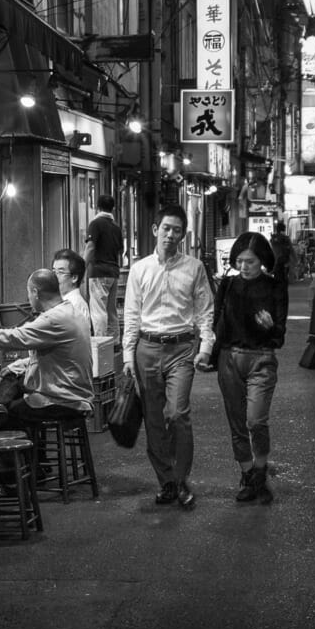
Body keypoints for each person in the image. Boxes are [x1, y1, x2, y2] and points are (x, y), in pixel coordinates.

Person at [122, 204, 215, 510]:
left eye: (177, 230)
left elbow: (205, 312)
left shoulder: (194, 268)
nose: (171, 234)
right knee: (153, 420)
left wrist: (204, 349)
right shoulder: (139, 269)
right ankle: (167, 482)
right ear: (155, 230)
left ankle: (182, 478)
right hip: (146, 349)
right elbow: (132, 317)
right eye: (166, 228)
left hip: (182, 349)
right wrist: (127, 356)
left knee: (177, 414)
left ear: (183, 234)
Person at [0, 269, 94, 428]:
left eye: (29, 293)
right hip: (78, 393)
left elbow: (14, 337)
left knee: (5, 417)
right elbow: (60, 357)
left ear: (35, 292)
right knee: (13, 375)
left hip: (64, 400)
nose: (29, 298)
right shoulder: (71, 311)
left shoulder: (54, 319)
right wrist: (19, 366)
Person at [209, 232, 288, 503]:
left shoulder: (275, 286)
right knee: (237, 423)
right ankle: (248, 477)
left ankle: (261, 469)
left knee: (256, 420)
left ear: (262, 261)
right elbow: (215, 323)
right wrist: (206, 352)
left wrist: (271, 326)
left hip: (261, 358)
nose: (244, 266)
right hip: (229, 359)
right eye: (239, 261)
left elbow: (280, 334)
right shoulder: (227, 285)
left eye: (250, 262)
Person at [84, 194, 124, 339]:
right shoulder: (116, 227)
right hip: (113, 272)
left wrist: (82, 267)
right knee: (111, 309)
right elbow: (121, 251)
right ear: (112, 208)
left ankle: (101, 343)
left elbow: (90, 247)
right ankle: (114, 342)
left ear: (97, 206)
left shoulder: (95, 223)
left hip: (98, 271)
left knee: (98, 310)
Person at [51, 248, 91, 326]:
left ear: (74, 278)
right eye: (54, 272)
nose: (54, 277)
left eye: (60, 272)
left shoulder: (73, 304)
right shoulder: (63, 301)